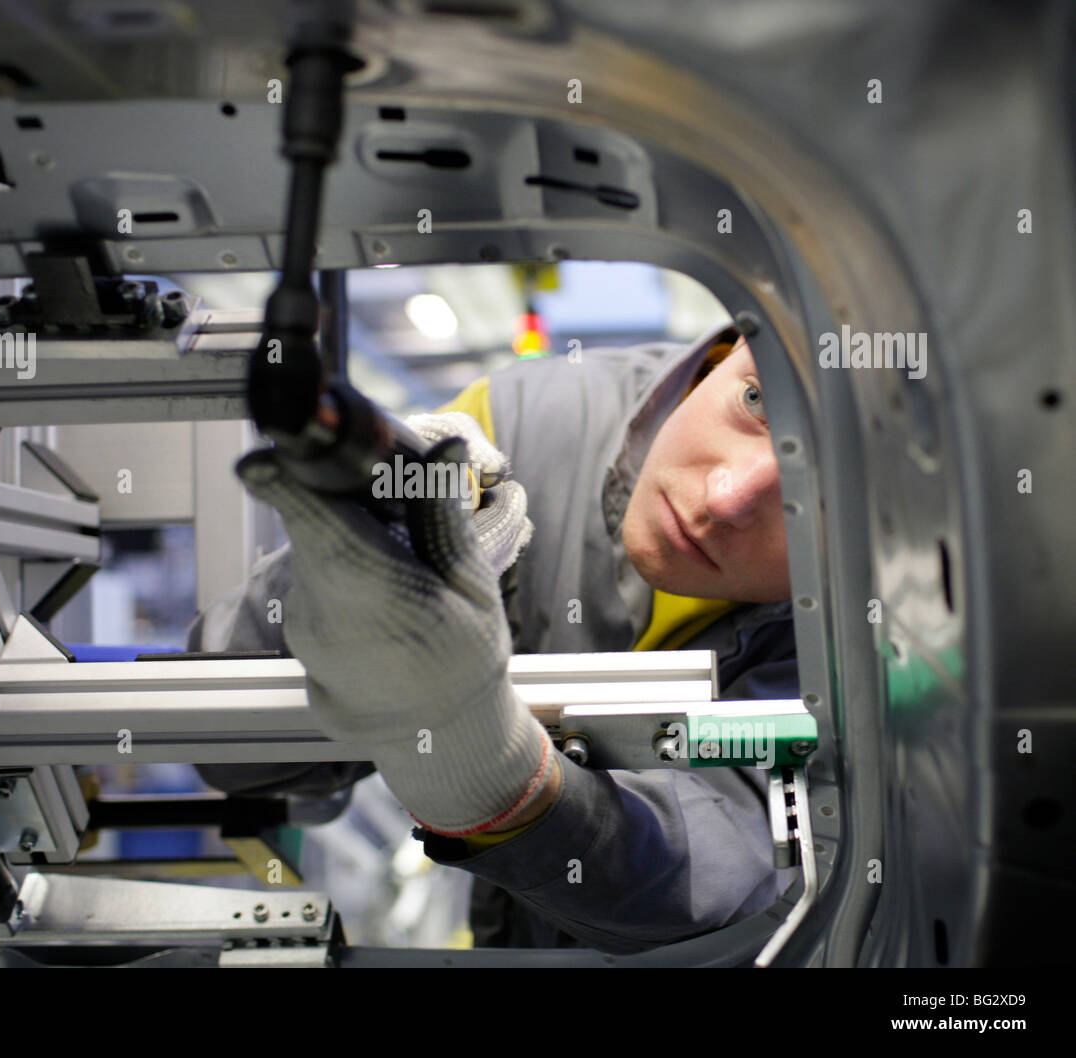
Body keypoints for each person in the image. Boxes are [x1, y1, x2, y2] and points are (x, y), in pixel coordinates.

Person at [187, 320, 799, 953]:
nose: (727, 498)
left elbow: (724, 882)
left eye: (812, 494)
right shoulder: (514, 424)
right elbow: (226, 747)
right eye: (756, 401)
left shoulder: (864, 632)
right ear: (740, 335)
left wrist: (487, 776)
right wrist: (338, 569)